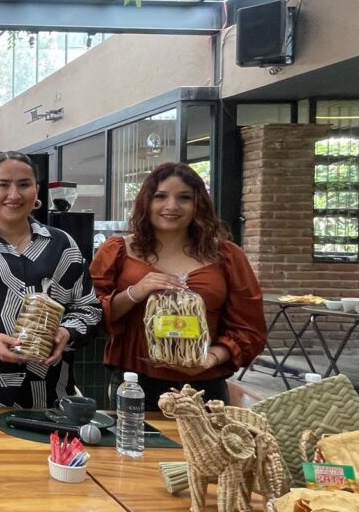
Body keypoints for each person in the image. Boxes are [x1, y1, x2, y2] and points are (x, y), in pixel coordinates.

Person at [90, 162, 265, 410]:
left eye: (184, 197)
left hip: (204, 386)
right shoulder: (117, 250)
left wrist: (211, 357)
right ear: (146, 201)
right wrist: (135, 292)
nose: (172, 206)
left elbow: (249, 328)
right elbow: (93, 312)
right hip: (135, 384)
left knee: (202, 438)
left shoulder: (227, 256)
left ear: (198, 204)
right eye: (160, 196)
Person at [0, 151, 101, 409]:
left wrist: (66, 332)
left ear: (36, 191)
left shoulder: (62, 245)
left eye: (24, 184)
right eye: (3, 185)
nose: (14, 194)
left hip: (47, 393)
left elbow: (88, 309)